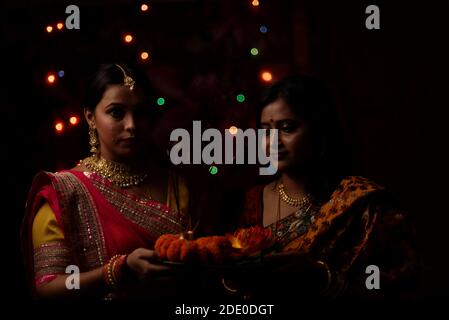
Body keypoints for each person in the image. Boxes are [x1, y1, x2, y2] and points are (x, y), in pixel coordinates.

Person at [222, 75, 420, 301]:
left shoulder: (360, 203)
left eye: (287, 128)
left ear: (319, 129)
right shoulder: (253, 200)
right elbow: (232, 281)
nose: (273, 141)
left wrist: (322, 277)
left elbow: (401, 285)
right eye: (266, 131)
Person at [21, 63, 193, 299]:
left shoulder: (177, 185)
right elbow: (48, 286)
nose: (132, 125)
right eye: (116, 112)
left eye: (140, 113)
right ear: (90, 117)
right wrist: (118, 270)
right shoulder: (63, 191)